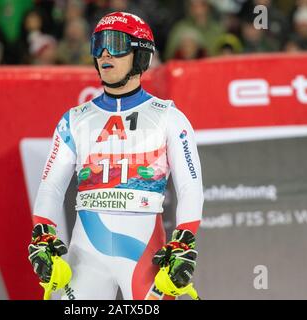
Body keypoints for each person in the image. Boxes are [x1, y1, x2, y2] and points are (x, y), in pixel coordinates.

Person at [28, 12, 204, 300]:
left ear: (140, 54)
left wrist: (184, 242)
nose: (105, 53)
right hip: (86, 257)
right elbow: (51, 186)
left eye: (116, 43)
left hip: (145, 253)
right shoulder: (74, 119)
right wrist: (43, 235)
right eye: (98, 44)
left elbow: (190, 187)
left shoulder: (169, 117)